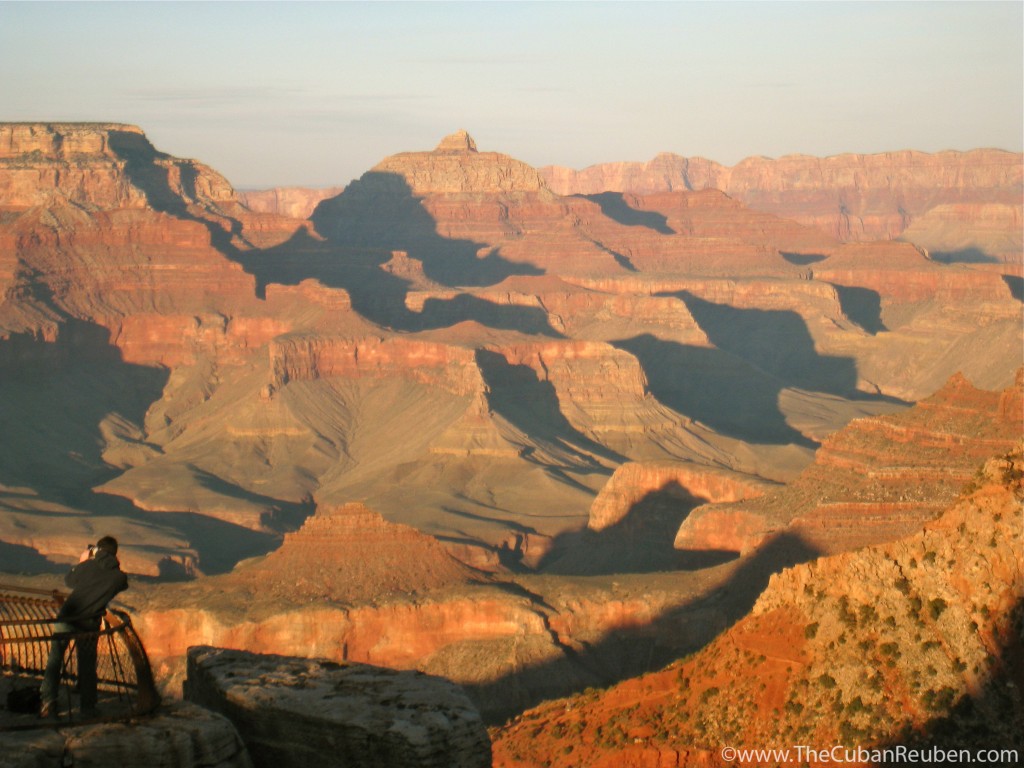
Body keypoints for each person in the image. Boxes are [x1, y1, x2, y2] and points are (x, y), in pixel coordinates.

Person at [39, 535, 129, 718]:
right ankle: (88, 707)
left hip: (67, 617)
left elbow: (69, 581)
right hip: (89, 623)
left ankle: (48, 702)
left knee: (55, 660)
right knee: (87, 665)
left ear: (98, 550)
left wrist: (83, 562)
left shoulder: (88, 566)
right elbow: (121, 585)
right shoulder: (119, 577)